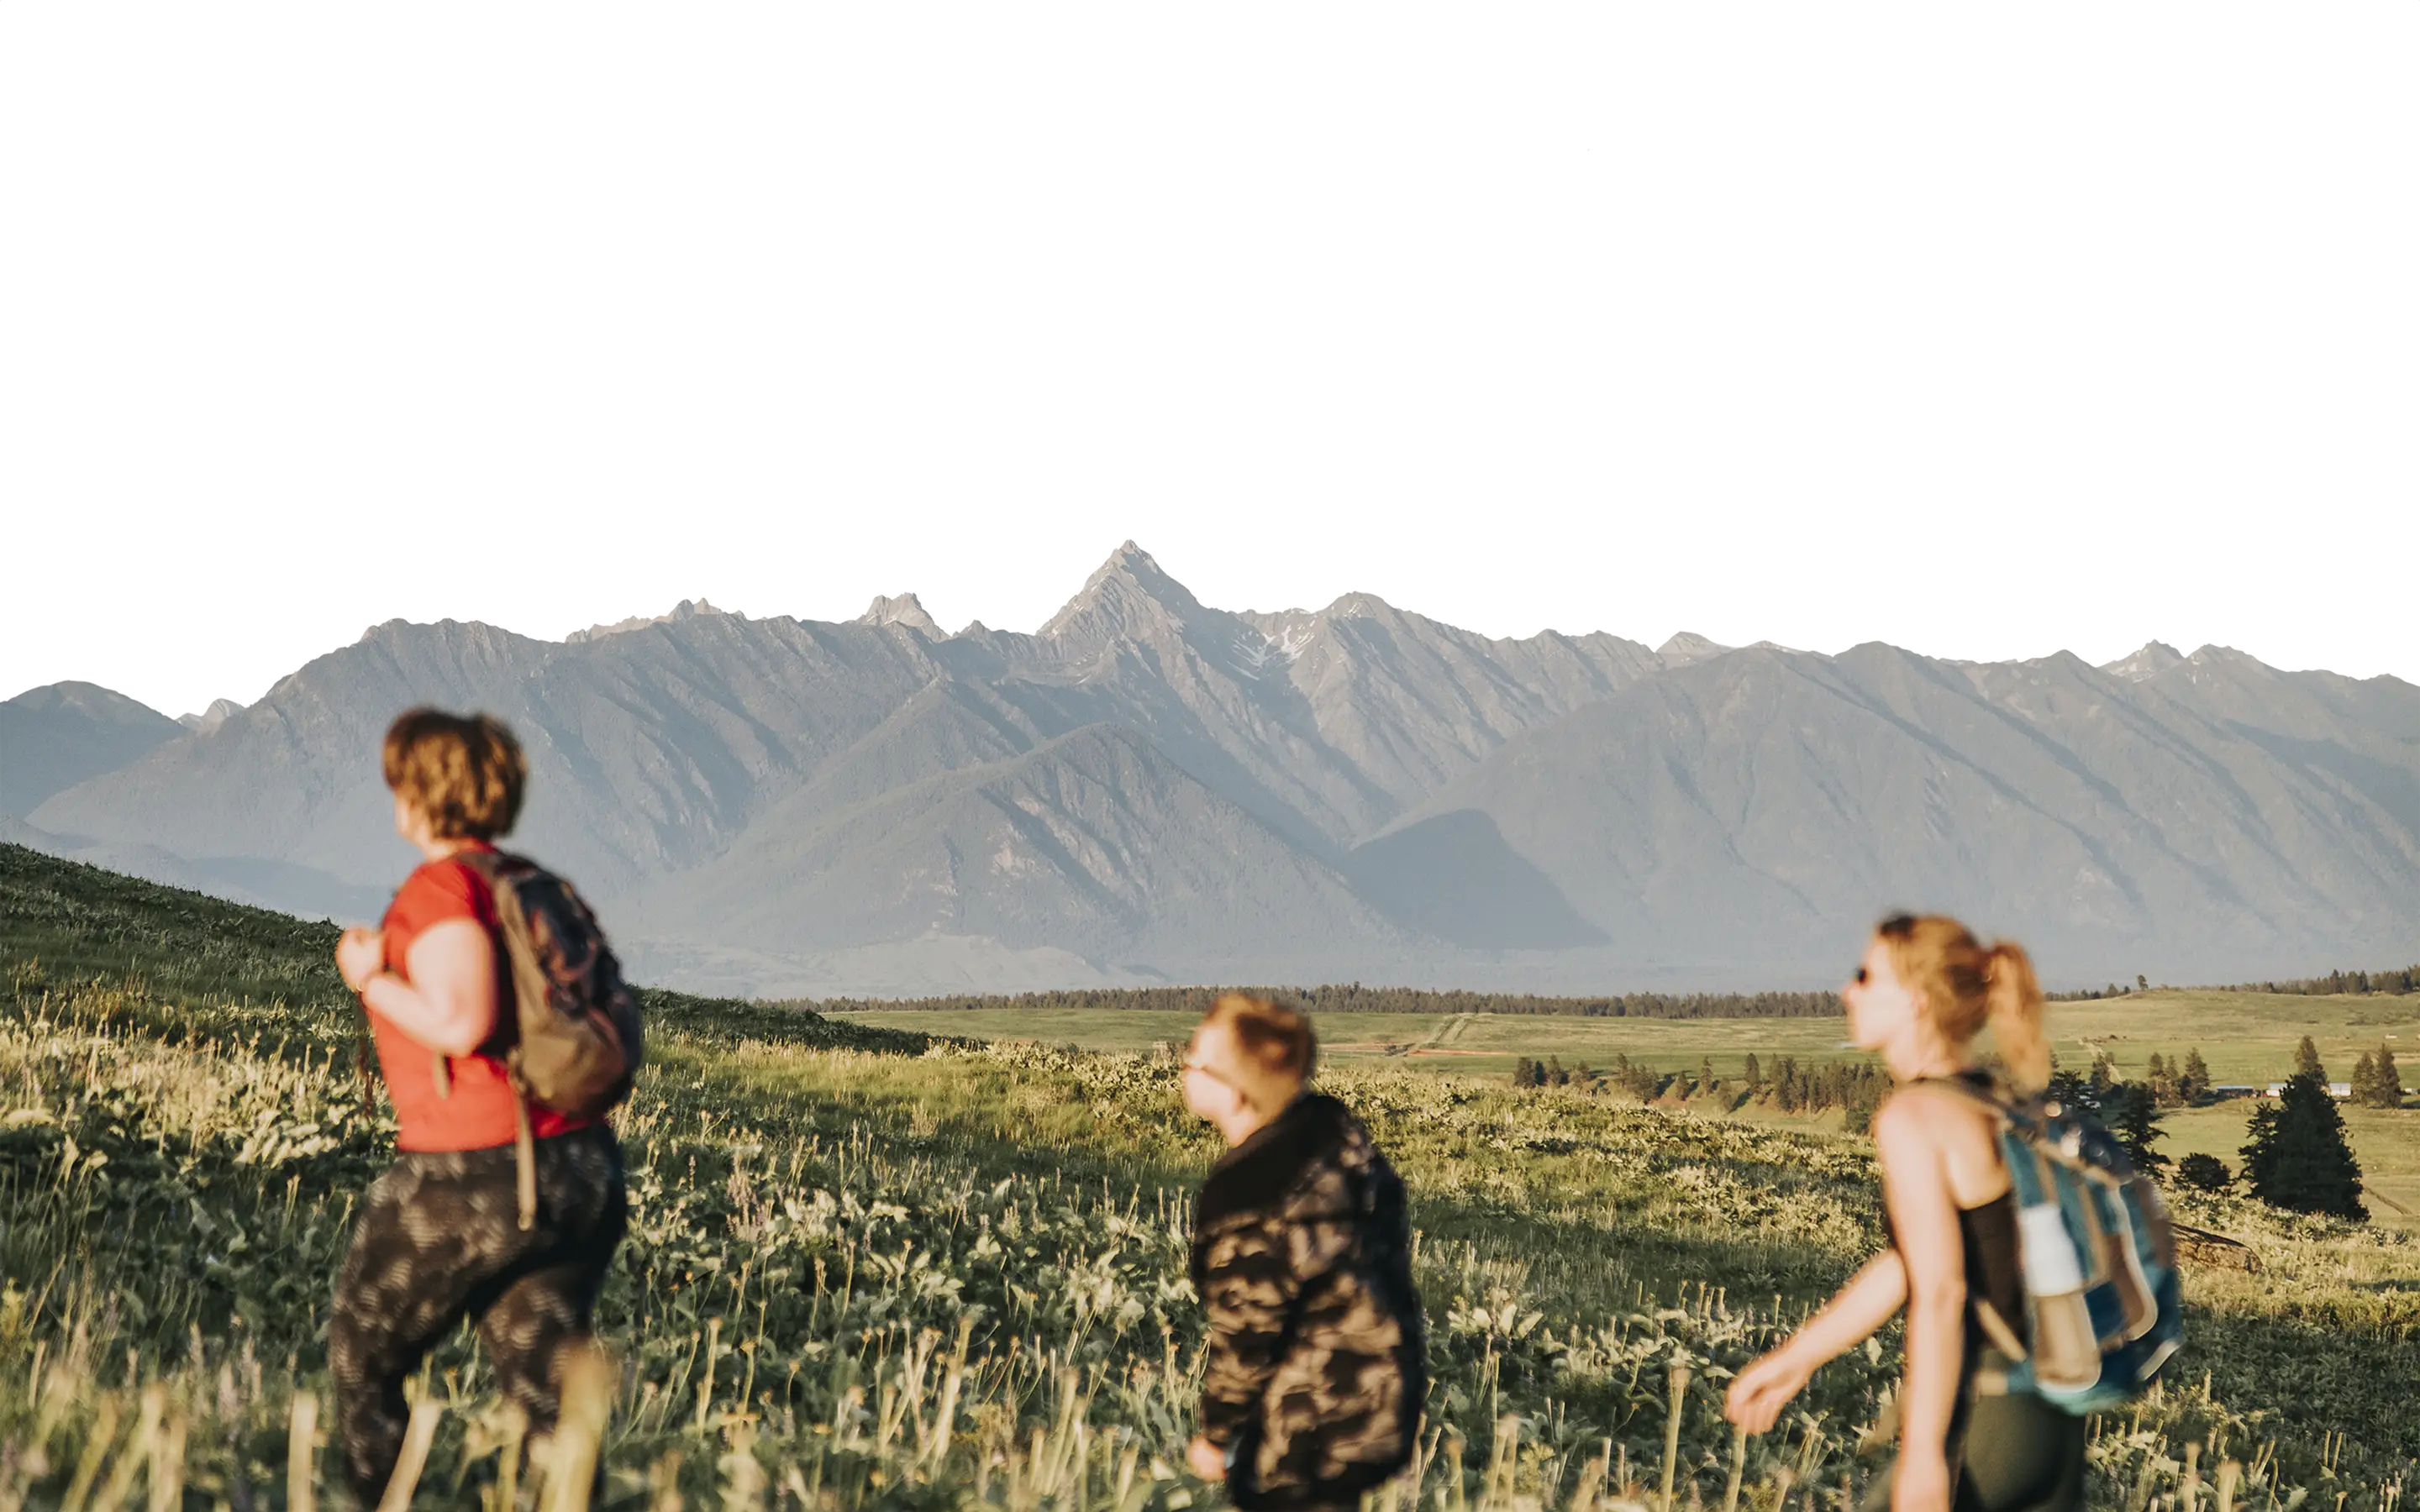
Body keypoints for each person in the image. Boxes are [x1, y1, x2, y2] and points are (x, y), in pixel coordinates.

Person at [328, 709, 627, 1508]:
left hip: (473, 1172)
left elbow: (462, 1020)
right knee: (546, 1394)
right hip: (580, 1168)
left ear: (415, 798)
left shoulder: (443, 888)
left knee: (362, 1354)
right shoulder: (526, 885)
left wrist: (369, 976)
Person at [1723, 914, 2087, 1512]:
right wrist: (1798, 1359)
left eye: (1866, 976)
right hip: (2051, 1420)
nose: (1848, 991)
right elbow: (1911, 1263)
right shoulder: (1990, 1098)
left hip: (1989, 1407)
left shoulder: (1914, 1117)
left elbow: (1941, 1293)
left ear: (1917, 1001)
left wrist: (1923, 1456)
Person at [1180, 992, 1426, 1512]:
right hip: (1384, 1400)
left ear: (1233, 1091)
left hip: (1300, 1426)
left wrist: (1215, 1435)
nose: (1183, 1070)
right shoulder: (1340, 1141)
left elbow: (1247, 1339)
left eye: (1193, 1061)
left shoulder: (1246, 1196)